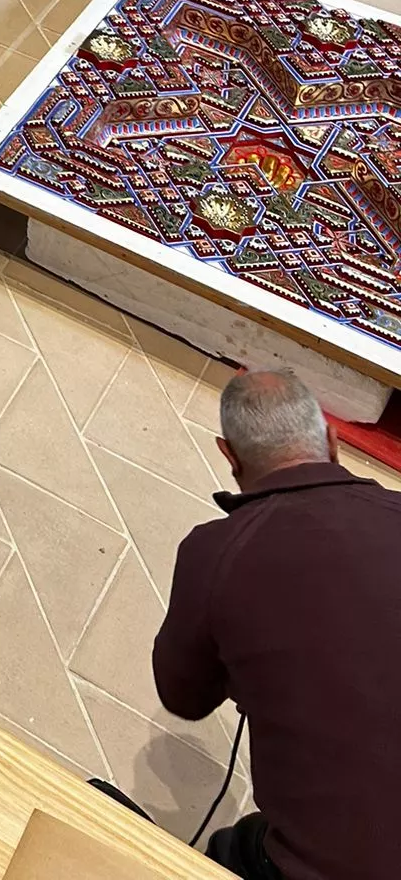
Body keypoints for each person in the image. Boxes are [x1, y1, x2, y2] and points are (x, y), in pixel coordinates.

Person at [153, 368, 401, 880]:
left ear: (229, 456)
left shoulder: (216, 550)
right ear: (334, 441)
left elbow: (183, 696)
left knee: (234, 849)